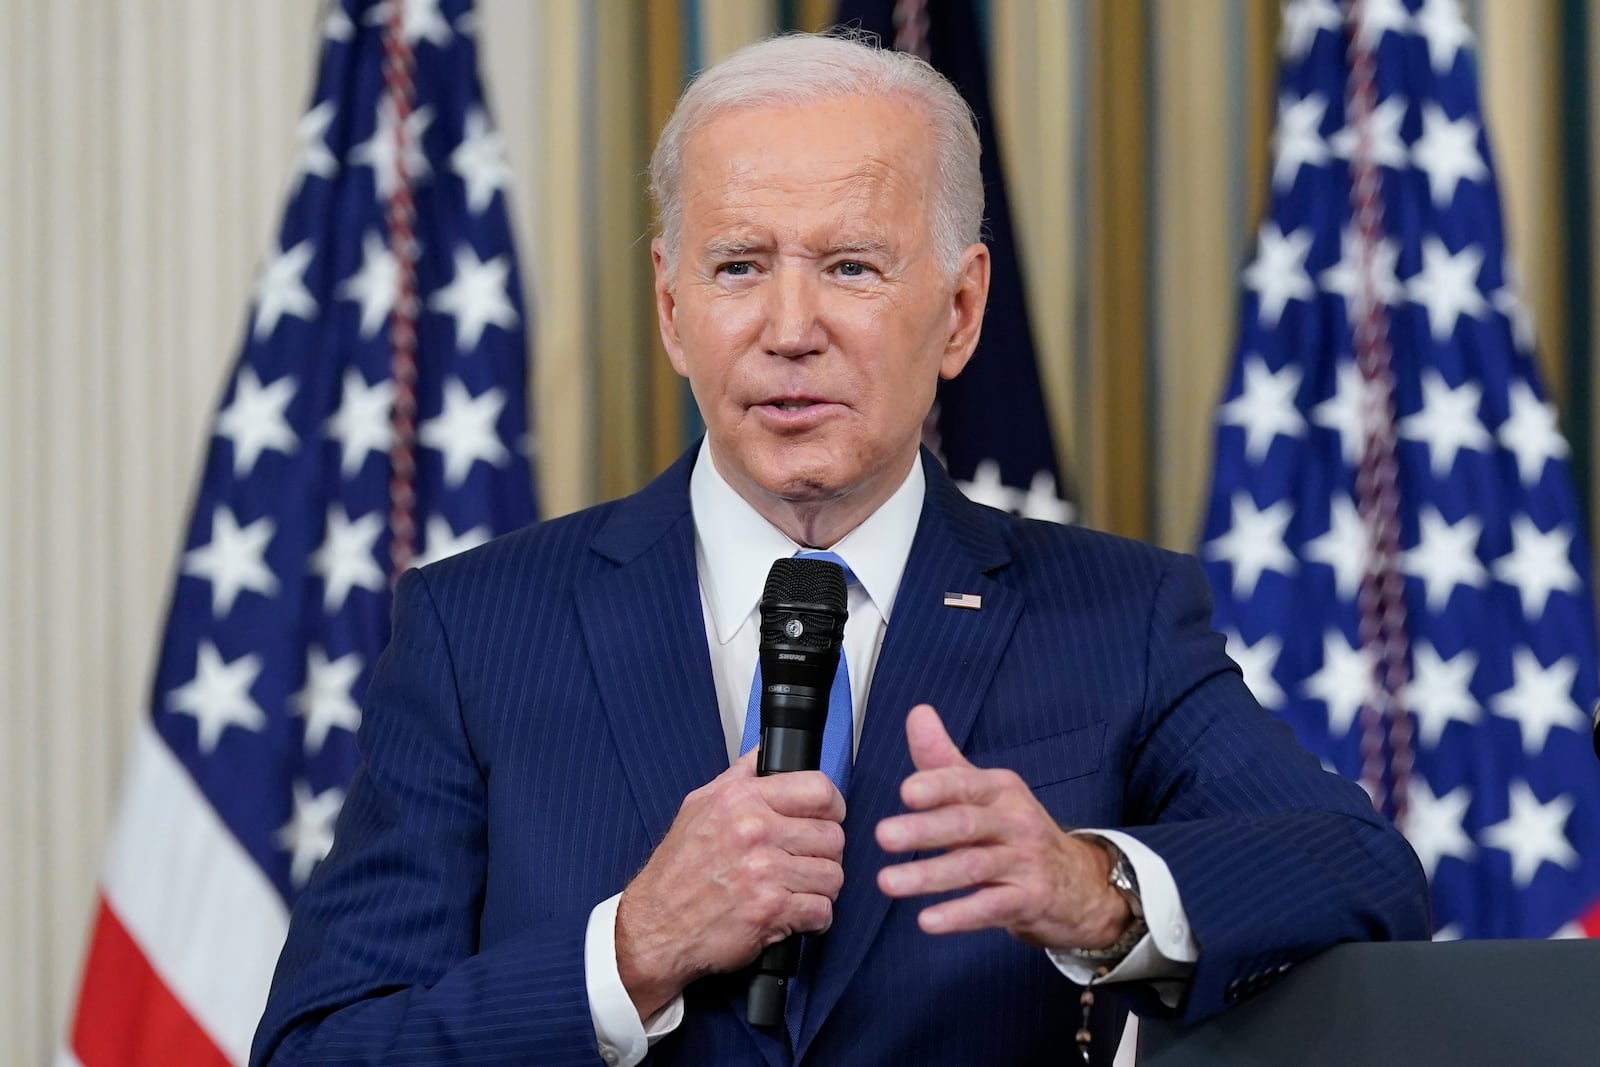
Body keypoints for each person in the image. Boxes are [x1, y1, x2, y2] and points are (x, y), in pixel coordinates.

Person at [252, 31, 1430, 1067]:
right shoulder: (478, 628)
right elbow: (324, 1045)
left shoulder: (1114, 614)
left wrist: (1094, 888)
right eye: (738, 266)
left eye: (851, 266)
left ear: (959, 312)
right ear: (672, 308)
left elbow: (1365, 875)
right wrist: (631, 948)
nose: (789, 329)